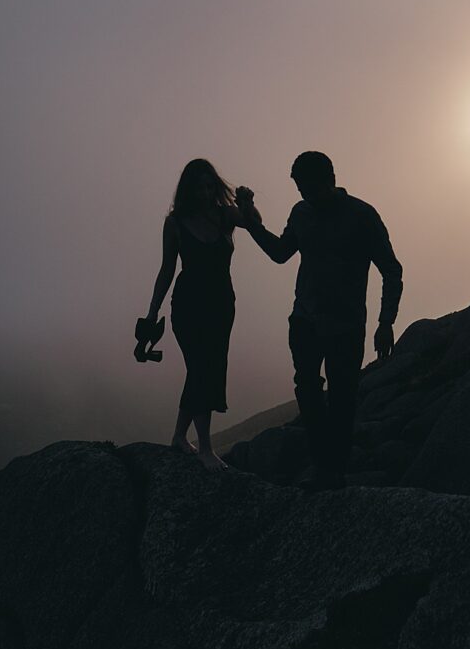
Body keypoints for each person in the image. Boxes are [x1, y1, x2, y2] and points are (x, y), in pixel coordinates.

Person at [238, 151, 402, 488]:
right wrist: (250, 222)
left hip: (346, 324)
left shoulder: (362, 215)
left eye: (308, 188)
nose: (304, 195)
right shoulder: (301, 213)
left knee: (343, 397)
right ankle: (321, 465)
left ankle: (333, 472)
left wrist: (386, 323)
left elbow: (391, 270)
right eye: (299, 189)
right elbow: (281, 253)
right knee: (308, 390)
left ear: (329, 180)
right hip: (304, 320)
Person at [142, 159, 242, 470]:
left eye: (209, 186)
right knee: (201, 368)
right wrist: (152, 311)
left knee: (206, 368)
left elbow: (253, 221)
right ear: (188, 189)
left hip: (222, 305)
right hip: (188, 306)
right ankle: (205, 449)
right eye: (198, 187)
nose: (204, 192)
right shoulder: (175, 223)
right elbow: (167, 269)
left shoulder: (225, 216)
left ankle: (178, 437)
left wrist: (248, 203)